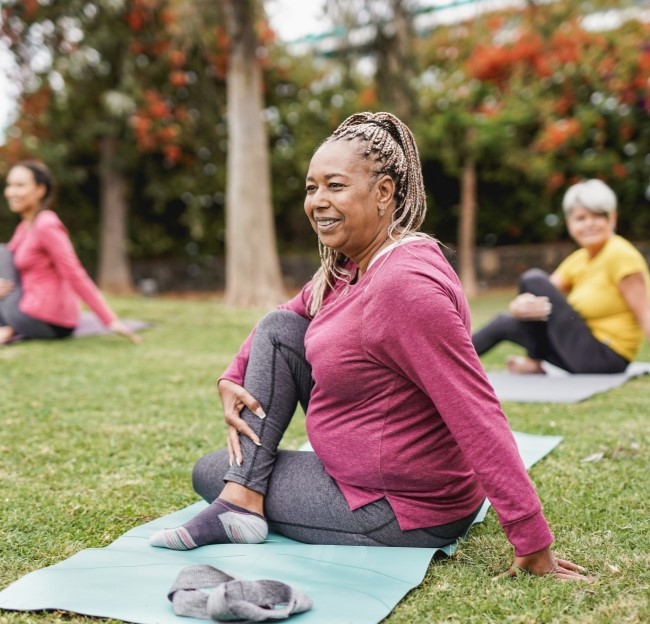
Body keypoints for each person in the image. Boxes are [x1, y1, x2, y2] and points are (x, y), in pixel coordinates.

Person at [150, 112, 587, 580]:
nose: (318, 201)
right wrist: (231, 375)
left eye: (335, 186)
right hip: (367, 479)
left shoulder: (404, 287)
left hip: (400, 508)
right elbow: (286, 316)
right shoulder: (351, 266)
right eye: (311, 187)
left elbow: (475, 409)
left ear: (383, 193)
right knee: (279, 330)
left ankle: (240, 499)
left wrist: (532, 540)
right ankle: (243, 498)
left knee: (209, 470)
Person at [473, 179, 650, 374]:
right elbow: (542, 294)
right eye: (581, 218)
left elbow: (646, 315)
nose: (589, 224)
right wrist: (518, 307)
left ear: (612, 219)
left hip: (606, 356)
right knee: (504, 323)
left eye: (598, 216)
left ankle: (534, 361)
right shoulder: (579, 259)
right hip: (579, 352)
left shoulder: (620, 255)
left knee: (532, 278)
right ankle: (442, 364)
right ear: (570, 224)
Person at [0, 160, 141, 345]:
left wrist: (110, 320)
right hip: (27, 308)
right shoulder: (25, 227)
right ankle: (9, 328)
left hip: (46, 319)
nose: (11, 192)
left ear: (40, 189)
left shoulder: (46, 224)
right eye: (10, 185)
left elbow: (74, 273)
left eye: (20, 185)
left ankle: (9, 329)